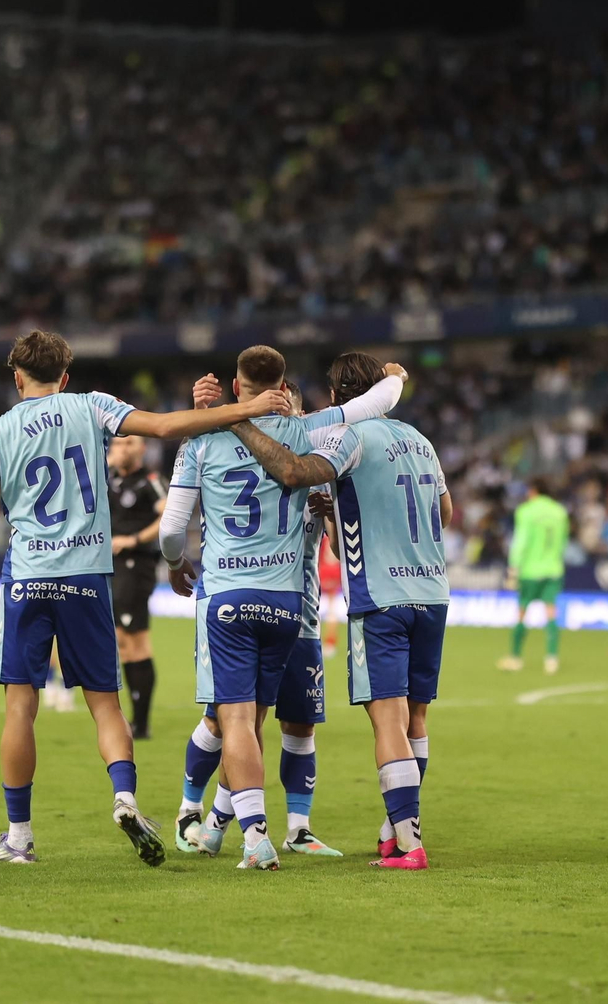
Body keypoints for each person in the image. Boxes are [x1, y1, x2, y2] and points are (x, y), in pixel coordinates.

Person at [0, 329, 291, 867]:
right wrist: (244, 409)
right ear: (65, 377)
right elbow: (164, 426)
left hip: (28, 578)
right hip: (86, 577)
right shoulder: (92, 406)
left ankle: (19, 837)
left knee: (21, 706)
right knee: (105, 703)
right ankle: (126, 799)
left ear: (17, 378)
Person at [161, 349, 405, 871]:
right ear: (280, 389)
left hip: (235, 597)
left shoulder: (204, 436)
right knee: (236, 720)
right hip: (284, 601)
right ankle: (198, 814)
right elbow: (374, 403)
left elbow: (171, 529)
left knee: (247, 719)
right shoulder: (310, 436)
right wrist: (394, 376)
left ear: (237, 386)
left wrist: (176, 563)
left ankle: (254, 831)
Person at [229, 351, 449, 872]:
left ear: (335, 398)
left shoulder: (350, 437)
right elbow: (444, 511)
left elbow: (293, 471)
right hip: (433, 594)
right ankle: (395, 830)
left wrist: (238, 422)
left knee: (388, 721)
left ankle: (410, 844)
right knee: (416, 718)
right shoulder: (420, 440)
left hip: (382, 601)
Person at [106, 435, 166, 738]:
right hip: (112, 567)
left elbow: (169, 514)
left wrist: (134, 539)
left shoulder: (150, 481)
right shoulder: (109, 480)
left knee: (136, 640)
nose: (122, 448)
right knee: (122, 641)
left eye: (129, 443)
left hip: (136, 565)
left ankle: (141, 724)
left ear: (142, 448)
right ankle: (136, 721)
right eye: (117, 444)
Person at [501, 478, 568, 674]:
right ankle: (551, 659)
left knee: (522, 611)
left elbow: (521, 541)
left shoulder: (526, 511)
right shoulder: (560, 512)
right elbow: (563, 541)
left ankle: (515, 657)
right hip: (553, 569)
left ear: (534, 491)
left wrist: (513, 568)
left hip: (530, 570)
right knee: (551, 611)